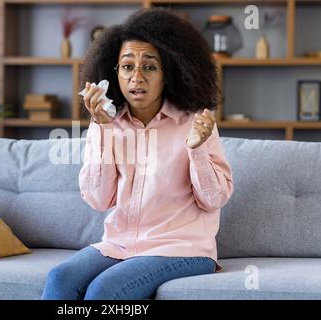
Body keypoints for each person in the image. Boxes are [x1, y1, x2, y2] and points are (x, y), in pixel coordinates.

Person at [41, 7, 233, 300]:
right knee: (59, 279)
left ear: (169, 72)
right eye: (128, 66)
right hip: (120, 245)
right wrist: (104, 130)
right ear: (114, 72)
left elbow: (215, 198)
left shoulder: (195, 122)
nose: (136, 77)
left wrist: (196, 149)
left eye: (150, 67)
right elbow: (98, 198)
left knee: (104, 291)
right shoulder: (106, 122)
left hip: (182, 248)